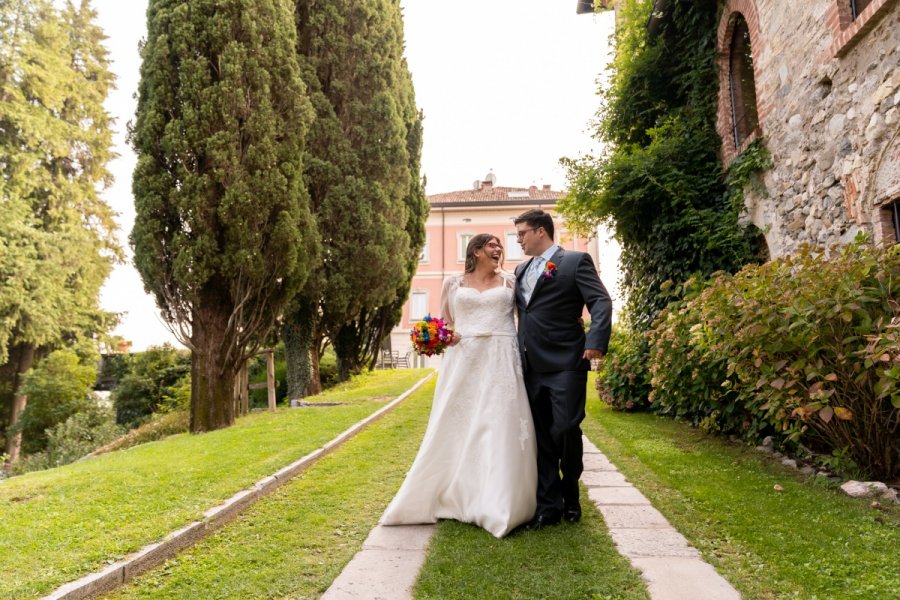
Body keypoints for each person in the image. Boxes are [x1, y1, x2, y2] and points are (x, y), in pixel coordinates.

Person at [381, 234, 537, 538]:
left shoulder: (510, 282)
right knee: (457, 423)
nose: (499, 249)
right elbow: (445, 322)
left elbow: (525, 320)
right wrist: (442, 336)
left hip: (501, 358)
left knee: (498, 423)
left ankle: (499, 502)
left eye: (499, 246)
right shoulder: (453, 283)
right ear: (476, 250)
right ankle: (452, 492)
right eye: (492, 245)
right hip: (464, 358)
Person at [513, 209, 612, 531]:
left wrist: (595, 340)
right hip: (530, 365)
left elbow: (600, 302)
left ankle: (571, 495)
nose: (519, 239)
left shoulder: (575, 261)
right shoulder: (520, 270)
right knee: (540, 437)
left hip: (567, 361)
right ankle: (548, 507)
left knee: (566, 429)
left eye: (522, 233)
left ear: (541, 231)